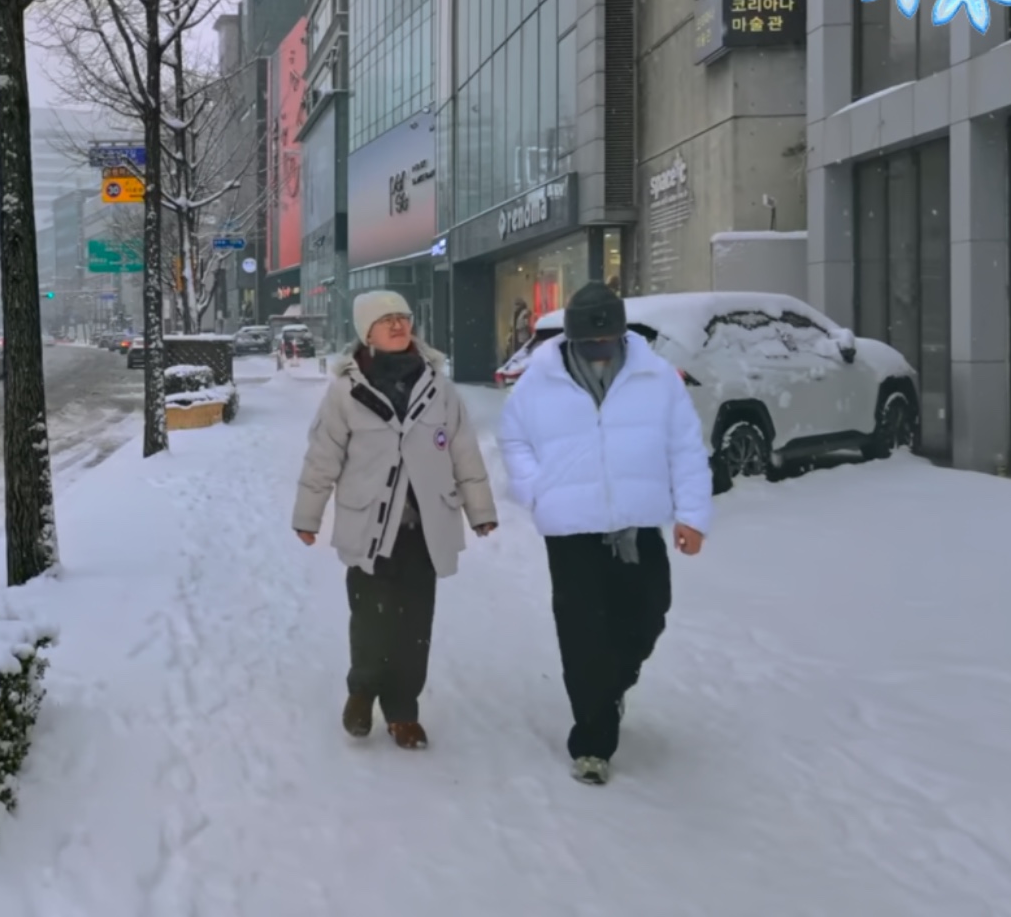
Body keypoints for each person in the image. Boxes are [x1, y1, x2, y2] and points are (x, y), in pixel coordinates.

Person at [496, 280, 712, 786]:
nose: (599, 349)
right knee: (582, 633)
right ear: (571, 338)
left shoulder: (656, 378)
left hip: (637, 523)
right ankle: (592, 740)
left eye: (607, 339)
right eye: (589, 342)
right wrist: (535, 491)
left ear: (620, 334)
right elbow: (514, 438)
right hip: (570, 529)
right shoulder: (539, 380)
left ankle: (612, 686)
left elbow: (686, 448)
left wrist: (692, 516)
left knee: (648, 614)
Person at [293, 290, 500, 749]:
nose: (398, 325)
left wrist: (480, 511)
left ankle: (403, 709)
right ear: (367, 332)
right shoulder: (346, 391)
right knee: (370, 617)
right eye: (386, 320)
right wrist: (308, 515)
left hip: (426, 529)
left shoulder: (439, 388)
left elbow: (464, 453)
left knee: (414, 624)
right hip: (368, 526)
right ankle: (363, 691)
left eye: (403, 318)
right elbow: (322, 458)